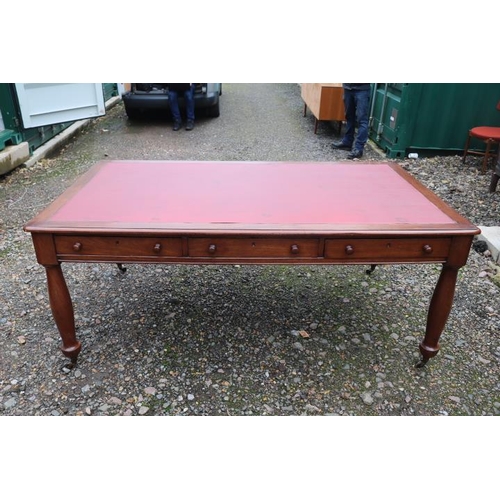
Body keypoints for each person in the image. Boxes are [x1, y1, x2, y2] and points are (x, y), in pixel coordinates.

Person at [332, 83, 371, 159]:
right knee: (349, 116)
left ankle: (359, 149)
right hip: (348, 88)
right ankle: (347, 142)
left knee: (362, 120)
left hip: (362, 89)